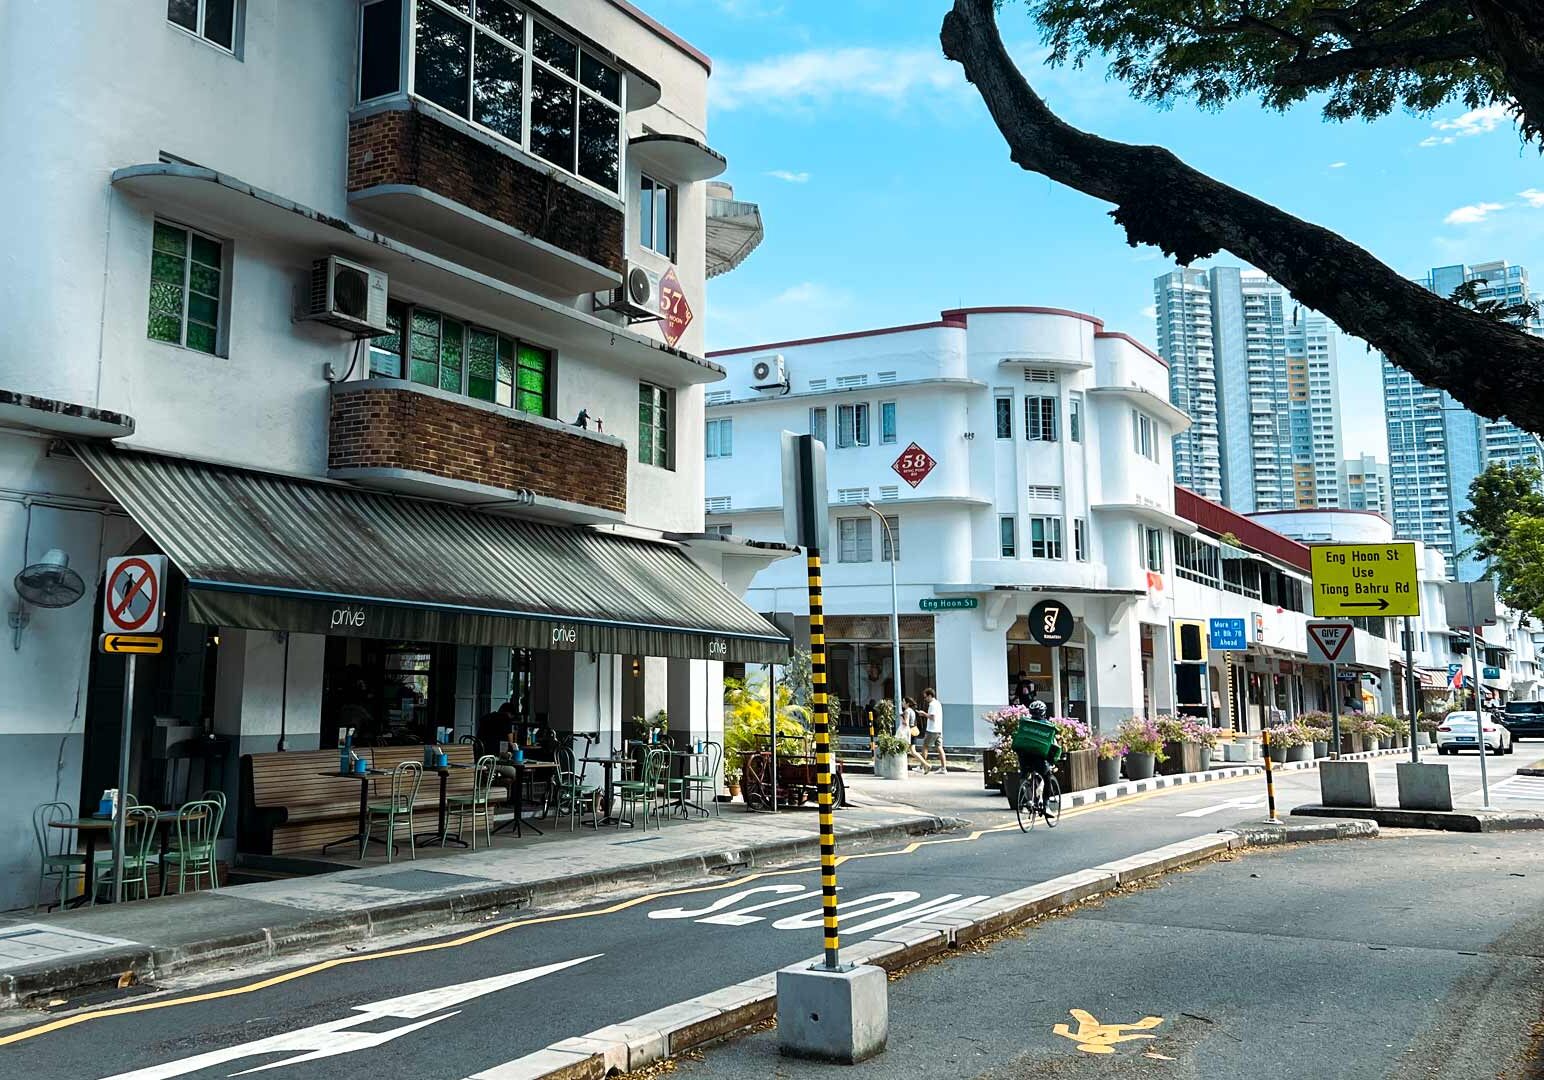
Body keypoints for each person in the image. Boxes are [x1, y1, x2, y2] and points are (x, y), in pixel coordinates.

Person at [1014, 700, 1056, 807]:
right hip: (1039, 759)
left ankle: (1028, 799)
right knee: (1047, 777)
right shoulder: (1048, 727)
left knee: (1024, 776)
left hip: (1024, 757)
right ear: (1043, 713)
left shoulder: (1025, 723)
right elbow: (1053, 745)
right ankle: (1046, 805)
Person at [921, 688, 949, 774]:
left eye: (925, 697)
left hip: (932, 729)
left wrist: (923, 714)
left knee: (925, 747)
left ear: (930, 696)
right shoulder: (938, 703)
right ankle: (943, 768)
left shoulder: (932, 705)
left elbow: (932, 717)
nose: (925, 699)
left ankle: (922, 766)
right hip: (938, 729)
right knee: (939, 748)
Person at [900, 697, 929, 773]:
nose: (902, 703)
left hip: (909, 733)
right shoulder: (912, 711)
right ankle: (926, 765)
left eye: (903, 701)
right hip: (913, 731)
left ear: (907, 703)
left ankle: (901, 767)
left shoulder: (906, 711)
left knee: (906, 750)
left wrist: (901, 718)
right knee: (912, 751)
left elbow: (906, 723)